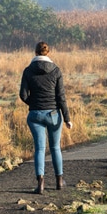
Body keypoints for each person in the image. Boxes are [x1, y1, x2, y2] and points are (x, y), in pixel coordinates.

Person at [19, 41, 72, 194]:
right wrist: (67, 118)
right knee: (55, 147)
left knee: (40, 149)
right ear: (48, 52)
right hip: (54, 114)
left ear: (35, 52)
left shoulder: (28, 71)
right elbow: (61, 96)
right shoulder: (56, 70)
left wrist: (34, 103)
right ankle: (59, 181)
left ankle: (40, 183)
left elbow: (23, 95)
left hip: (35, 114)